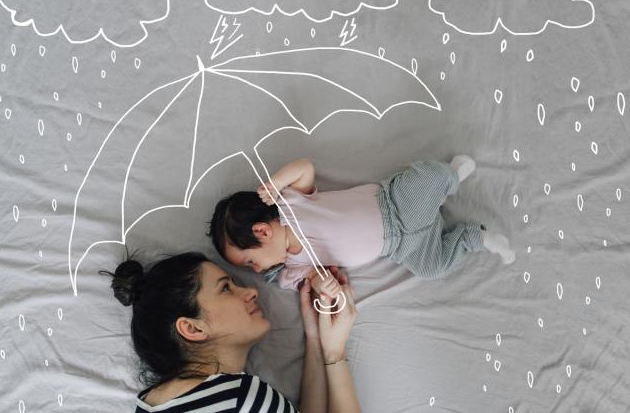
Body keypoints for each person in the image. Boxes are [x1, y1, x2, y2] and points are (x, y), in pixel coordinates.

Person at [208, 156, 516, 297]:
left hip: (393, 204)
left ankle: (452, 176)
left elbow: (304, 168)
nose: (258, 271)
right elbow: (315, 279)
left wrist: (276, 182)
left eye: (251, 261)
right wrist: (322, 286)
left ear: (262, 232)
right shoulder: (293, 266)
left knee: (429, 180)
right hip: (401, 247)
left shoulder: (291, 203)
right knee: (432, 268)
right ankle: (476, 239)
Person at [100, 252, 361, 412]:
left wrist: (316, 341)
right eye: (226, 288)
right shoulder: (240, 397)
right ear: (192, 327)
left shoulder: (147, 406)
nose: (251, 292)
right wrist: (334, 350)